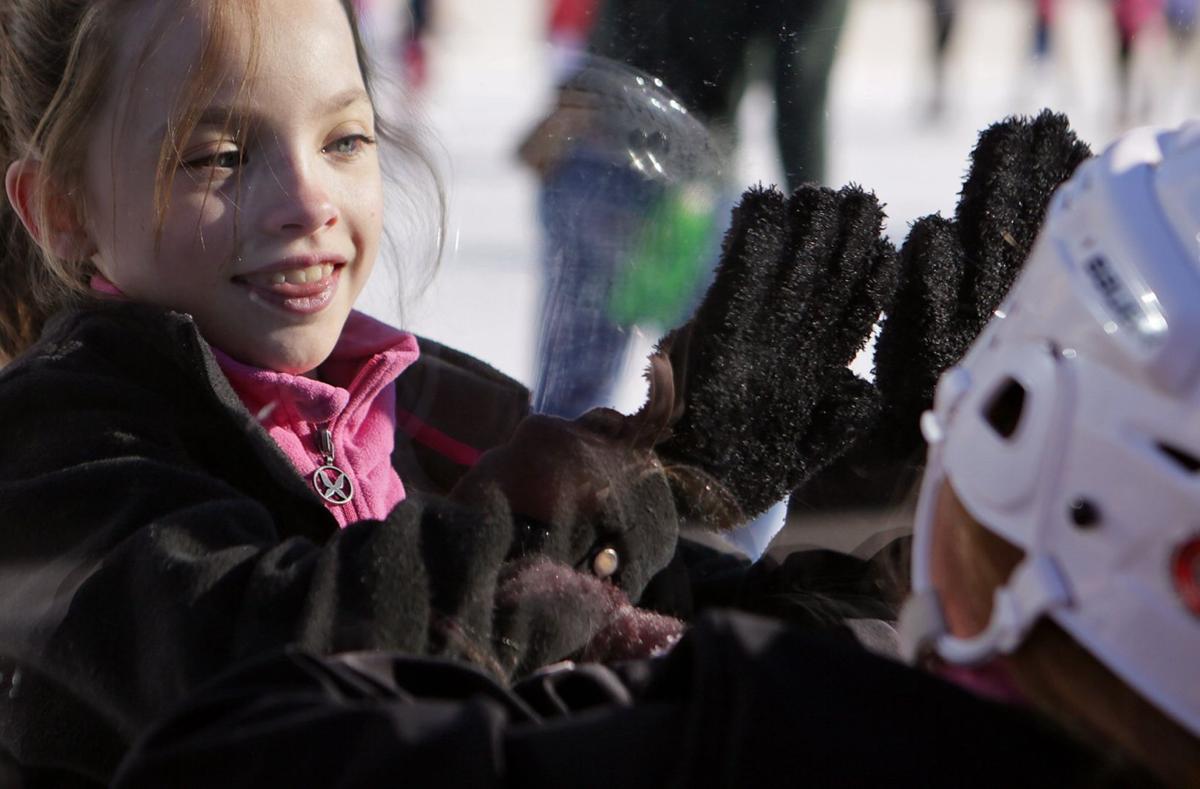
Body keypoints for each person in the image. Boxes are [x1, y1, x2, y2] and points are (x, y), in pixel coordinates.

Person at [112, 120, 1200, 788]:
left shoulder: (754, 744)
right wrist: (856, 543)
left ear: (1027, 470)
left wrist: (593, 506)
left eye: (986, 409)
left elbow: (226, 754)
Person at [0, 0, 905, 784]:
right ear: (62, 210)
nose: (309, 200)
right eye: (221, 156)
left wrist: (911, 519)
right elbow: (281, 665)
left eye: (344, 140)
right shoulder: (53, 456)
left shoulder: (422, 415)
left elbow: (700, 660)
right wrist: (593, 497)